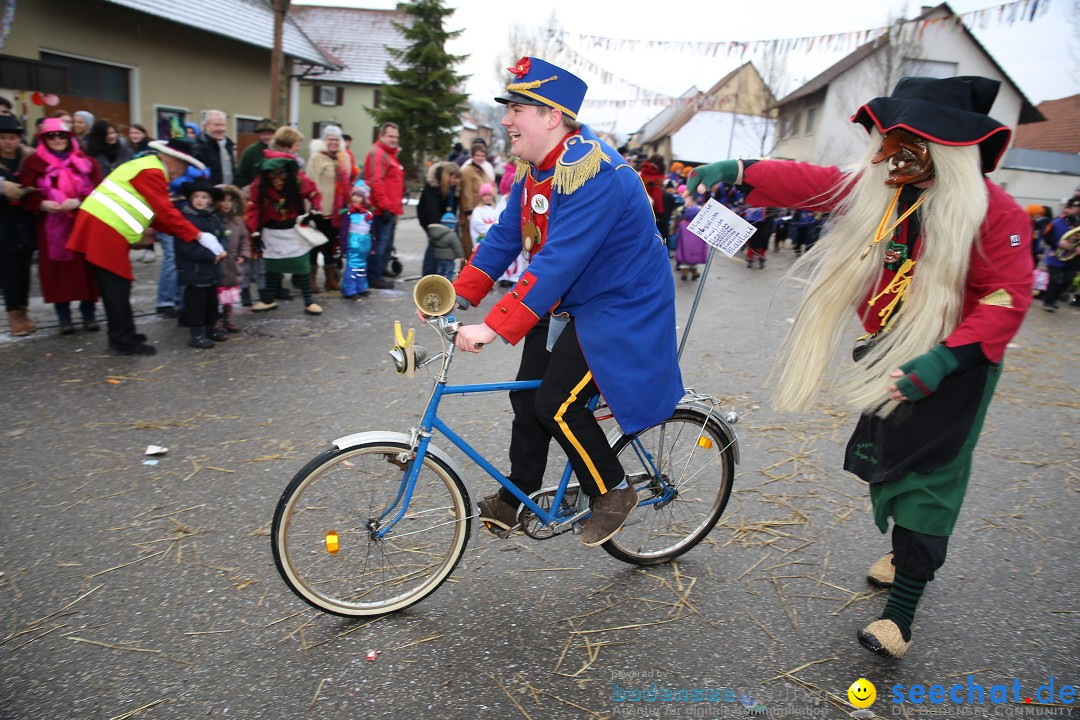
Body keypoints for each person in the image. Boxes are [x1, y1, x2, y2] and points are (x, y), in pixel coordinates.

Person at [688, 75, 1034, 659]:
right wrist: (741, 169)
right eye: (885, 143)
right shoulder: (887, 187)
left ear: (946, 152)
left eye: (902, 145)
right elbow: (818, 184)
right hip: (888, 352)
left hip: (955, 366)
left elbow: (1007, 297)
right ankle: (901, 554)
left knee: (931, 484)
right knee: (891, 466)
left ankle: (900, 615)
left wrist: (944, 358)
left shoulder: (996, 214)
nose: (882, 157)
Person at [448, 56, 684, 547]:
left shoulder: (595, 172)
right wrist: (457, 292)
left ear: (553, 115)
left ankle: (613, 490)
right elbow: (507, 234)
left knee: (557, 402)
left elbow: (557, 259)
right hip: (571, 299)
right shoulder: (537, 169)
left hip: (620, 305)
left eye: (517, 108)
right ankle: (519, 497)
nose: (506, 119)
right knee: (525, 396)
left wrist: (493, 325)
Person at [67, 138, 221, 355]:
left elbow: (154, 214)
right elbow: (165, 212)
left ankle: (123, 336)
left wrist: (183, 232)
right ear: (169, 158)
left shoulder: (148, 168)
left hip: (104, 228)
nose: (184, 170)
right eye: (183, 164)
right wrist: (197, 235)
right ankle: (123, 341)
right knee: (117, 289)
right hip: (104, 229)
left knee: (116, 289)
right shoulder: (152, 172)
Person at [19, 118, 102, 334]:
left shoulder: (86, 161)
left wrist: (80, 202)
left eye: (61, 135)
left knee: (87, 270)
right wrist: (43, 204)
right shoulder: (33, 163)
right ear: (43, 139)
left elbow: (100, 191)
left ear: (69, 137)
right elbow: (25, 193)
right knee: (58, 273)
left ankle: (89, 315)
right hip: (51, 227)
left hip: (82, 223)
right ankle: (64, 318)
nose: (57, 140)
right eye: (51, 136)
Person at [247, 149, 323, 315]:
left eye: (282, 177)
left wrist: (316, 209)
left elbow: (314, 192)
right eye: (273, 178)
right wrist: (254, 231)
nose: (278, 182)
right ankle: (268, 300)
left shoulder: (298, 180)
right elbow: (253, 207)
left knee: (302, 267)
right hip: (271, 231)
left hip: (293, 230)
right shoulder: (260, 184)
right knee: (272, 268)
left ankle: (308, 302)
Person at [176, 179, 229, 348]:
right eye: (196, 196)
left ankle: (210, 328)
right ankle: (196, 334)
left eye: (204, 197)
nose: (200, 200)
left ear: (210, 200)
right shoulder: (186, 219)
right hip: (194, 270)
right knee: (195, 304)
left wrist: (223, 250)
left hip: (211, 270)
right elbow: (185, 246)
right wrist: (210, 256)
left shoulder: (212, 217)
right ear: (190, 199)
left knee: (211, 302)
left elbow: (222, 236)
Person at [0, 114, 38, 336]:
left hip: (25, 222)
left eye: (12, 137)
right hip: (3, 225)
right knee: (9, 271)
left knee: (24, 270)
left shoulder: (28, 160)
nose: (7, 142)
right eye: (3, 137)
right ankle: (14, 314)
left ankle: (24, 311)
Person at [306, 125, 354, 292]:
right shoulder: (317, 158)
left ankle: (329, 279)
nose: (333, 142)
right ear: (324, 140)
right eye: (330, 139)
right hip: (321, 210)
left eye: (336, 139)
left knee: (330, 246)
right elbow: (311, 182)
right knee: (315, 245)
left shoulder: (344, 158)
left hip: (337, 210)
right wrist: (313, 206)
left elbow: (348, 181)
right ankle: (311, 280)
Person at [363, 122, 404, 289]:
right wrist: (384, 206)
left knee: (385, 244)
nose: (394, 140)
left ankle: (379, 269)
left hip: (390, 208)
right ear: (381, 136)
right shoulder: (378, 153)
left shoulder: (389, 154)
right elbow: (376, 181)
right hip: (380, 210)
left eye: (396, 136)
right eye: (390, 136)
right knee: (378, 244)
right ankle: (373, 276)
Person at [214, 184, 250, 332]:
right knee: (217, 292)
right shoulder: (213, 220)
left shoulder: (237, 221)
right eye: (223, 200)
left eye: (230, 200)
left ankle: (228, 317)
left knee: (229, 291)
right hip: (218, 262)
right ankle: (215, 319)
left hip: (232, 262)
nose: (227, 204)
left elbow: (244, 239)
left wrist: (243, 254)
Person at [417, 161, 460, 277]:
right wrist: (438, 229)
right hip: (431, 222)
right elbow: (431, 210)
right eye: (454, 178)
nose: (456, 181)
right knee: (434, 246)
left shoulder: (451, 188)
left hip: (444, 222)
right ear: (448, 176)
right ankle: (427, 275)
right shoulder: (433, 187)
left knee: (442, 248)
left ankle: (439, 274)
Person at [1040, 197, 1080, 312]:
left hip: (1074, 258)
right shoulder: (1056, 221)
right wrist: (1058, 243)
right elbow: (1046, 236)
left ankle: (1054, 298)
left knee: (1068, 280)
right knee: (1055, 279)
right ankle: (1048, 301)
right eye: (1075, 208)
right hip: (1056, 256)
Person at [458, 143, 490, 258]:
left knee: (479, 242)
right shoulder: (467, 171)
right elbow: (466, 193)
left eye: (482, 155)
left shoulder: (483, 170)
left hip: (482, 211)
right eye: (477, 155)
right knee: (469, 244)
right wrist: (469, 211)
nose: (480, 158)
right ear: (472, 156)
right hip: (471, 213)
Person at [342, 183, 373, 299]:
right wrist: (343, 245)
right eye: (354, 195)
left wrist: (373, 246)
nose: (355, 198)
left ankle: (361, 287)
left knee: (362, 266)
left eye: (359, 196)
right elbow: (343, 231)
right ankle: (350, 290)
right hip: (353, 242)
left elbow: (372, 231)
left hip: (365, 243)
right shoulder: (348, 213)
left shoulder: (368, 214)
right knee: (352, 266)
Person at [194, 110, 236, 185]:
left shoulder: (228, 145)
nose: (221, 129)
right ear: (206, 127)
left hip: (228, 192)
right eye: (216, 125)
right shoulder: (198, 147)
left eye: (223, 125)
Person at [674, 189, 707, 281]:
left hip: (684, 248)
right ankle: (694, 273)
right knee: (693, 264)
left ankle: (684, 273)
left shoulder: (683, 224)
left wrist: (676, 244)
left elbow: (678, 235)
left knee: (684, 263)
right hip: (695, 250)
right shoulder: (699, 226)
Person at [235, 118, 275, 190]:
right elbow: (241, 175)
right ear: (259, 135)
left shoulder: (278, 151)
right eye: (264, 134)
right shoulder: (250, 151)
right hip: (255, 192)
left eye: (269, 134)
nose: (267, 137)